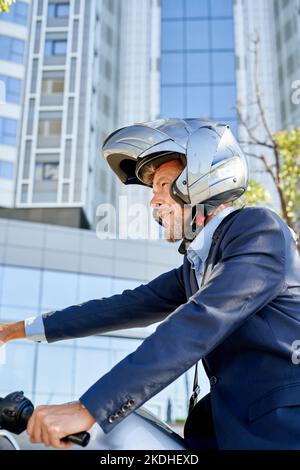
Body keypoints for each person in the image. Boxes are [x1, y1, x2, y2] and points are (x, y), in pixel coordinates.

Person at [0, 118, 300, 450]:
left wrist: (90, 408)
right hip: (222, 434)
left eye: (162, 184)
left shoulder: (259, 230)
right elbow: (121, 307)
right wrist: (13, 331)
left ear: (200, 180)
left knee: (116, 433)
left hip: (282, 431)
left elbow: (200, 321)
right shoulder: (195, 268)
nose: (153, 201)